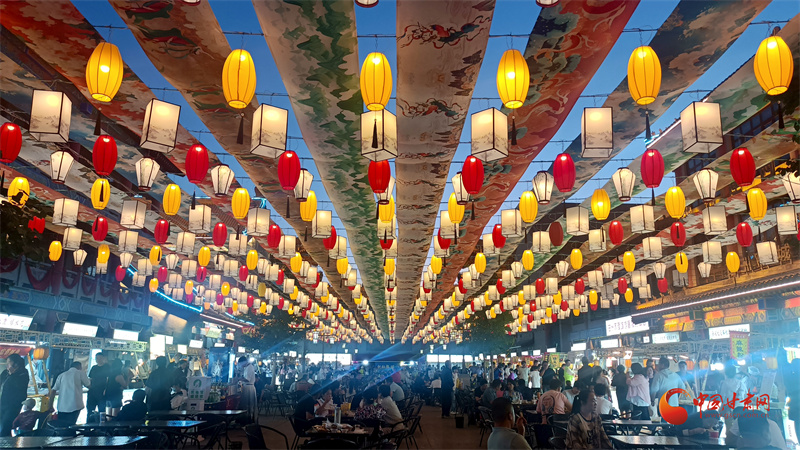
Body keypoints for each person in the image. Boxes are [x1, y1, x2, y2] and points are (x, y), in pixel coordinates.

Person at [0, 354, 30, 436]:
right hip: (2, 403)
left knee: (5, 427)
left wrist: (11, 374)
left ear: (16, 364)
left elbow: (18, 386)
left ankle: (5, 443)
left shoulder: (23, 373)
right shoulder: (5, 373)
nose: (7, 364)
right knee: (2, 426)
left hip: (13, 406)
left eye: (9, 362)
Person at [235, 356, 257, 422]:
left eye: (241, 363)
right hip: (248, 387)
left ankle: (249, 419)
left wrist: (239, 379)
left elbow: (247, 379)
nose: (241, 365)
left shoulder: (249, 367)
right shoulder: (247, 367)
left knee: (248, 405)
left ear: (244, 362)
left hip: (249, 387)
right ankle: (247, 419)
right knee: (247, 404)